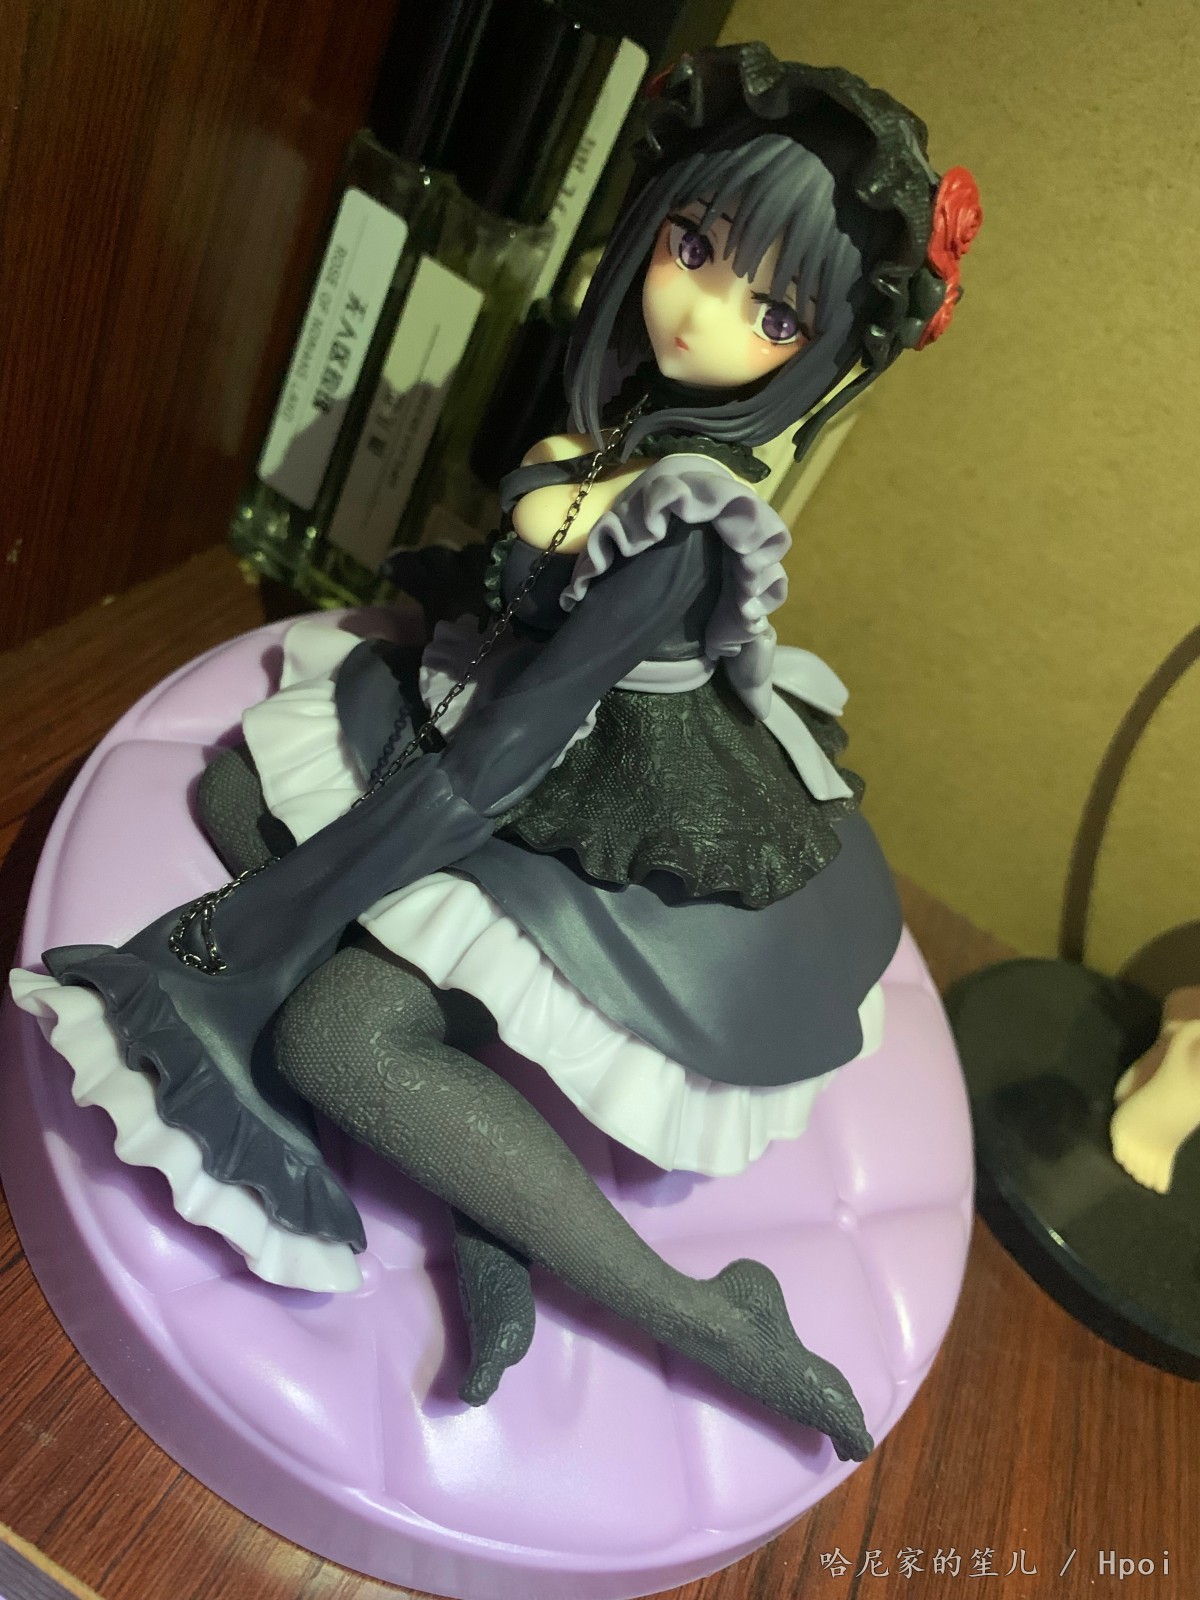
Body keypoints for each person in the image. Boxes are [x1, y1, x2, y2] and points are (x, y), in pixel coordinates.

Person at [9, 43, 981, 1463]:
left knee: (335, 1035)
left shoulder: (686, 523)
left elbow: (502, 767)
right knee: (234, 788)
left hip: (590, 801)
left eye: (770, 310)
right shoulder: (628, 414)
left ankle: (712, 1317)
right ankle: (488, 1212)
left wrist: (293, 909)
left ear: (816, 355)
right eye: (693, 247)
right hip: (497, 710)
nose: (701, 308)